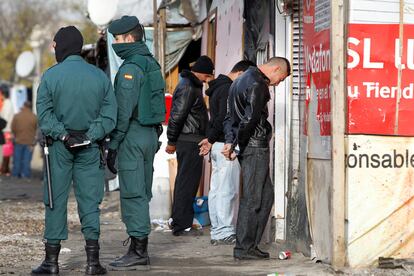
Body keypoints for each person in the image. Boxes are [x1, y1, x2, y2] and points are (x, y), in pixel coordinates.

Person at [33, 26, 117, 275]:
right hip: (90, 148)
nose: (54, 48)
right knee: (90, 202)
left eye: (55, 44)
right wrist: (89, 135)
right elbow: (110, 115)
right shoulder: (99, 76)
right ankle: (93, 263)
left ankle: (51, 263)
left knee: (55, 200)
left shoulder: (50, 76)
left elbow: (45, 115)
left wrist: (64, 135)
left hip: (59, 148)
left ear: (62, 46)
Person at [105, 16, 166, 270]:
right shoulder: (151, 63)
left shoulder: (130, 68)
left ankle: (138, 251)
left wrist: (113, 144)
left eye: (118, 39)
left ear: (130, 38)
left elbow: (123, 111)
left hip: (133, 134)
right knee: (142, 190)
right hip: (150, 134)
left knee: (133, 194)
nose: (116, 44)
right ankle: (137, 247)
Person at [222, 57, 291, 260]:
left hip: (249, 145)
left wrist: (231, 141)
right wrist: (238, 144)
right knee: (253, 198)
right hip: (254, 146)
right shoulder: (257, 83)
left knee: (266, 195)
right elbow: (249, 118)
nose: (278, 83)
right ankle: (244, 248)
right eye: (281, 78)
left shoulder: (241, 79)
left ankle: (250, 244)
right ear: (276, 68)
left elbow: (230, 117)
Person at [199, 60, 256, 246]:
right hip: (225, 146)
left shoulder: (219, 88)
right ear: (241, 73)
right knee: (227, 190)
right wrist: (220, 140)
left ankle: (218, 230)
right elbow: (226, 119)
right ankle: (223, 231)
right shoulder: (228, 89)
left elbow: (216, 119)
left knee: (217, 189)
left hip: (219, 144)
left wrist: (210, 139)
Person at [165, 55, 213, 236]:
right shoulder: (188, 86)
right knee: (187, 183)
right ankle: (181, 224)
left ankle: (180, 220)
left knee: (186, 182)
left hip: (190, 140)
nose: (207, 80)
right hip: (189, 140)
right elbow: (177, 115)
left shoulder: (190, 85)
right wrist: (171, 141)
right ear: (200, 73)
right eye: (207, 76)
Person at [11, 101, 37, 178]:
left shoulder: (17, 116)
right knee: (27, 160)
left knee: (17, 159)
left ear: (24, 106)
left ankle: (16, 174)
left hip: (18, 140)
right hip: (30, 142)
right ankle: (25, 174)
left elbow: (13, 128)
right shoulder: (34, 117)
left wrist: (16, 135)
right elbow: (37, 129)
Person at [0, 87, 15, 176]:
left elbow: (4, 118)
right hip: (6, 129)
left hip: (6, 130)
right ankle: (5, 169)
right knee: (6, 150)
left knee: (6, 151)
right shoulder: (6, 103)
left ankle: (5, 169)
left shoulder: (7, 103)